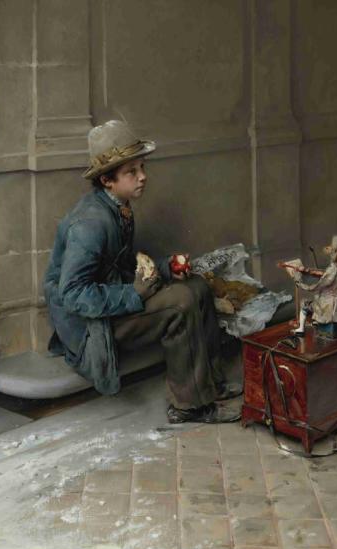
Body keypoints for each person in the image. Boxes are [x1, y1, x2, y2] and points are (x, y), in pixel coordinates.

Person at [43, 120, 241, 423]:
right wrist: (134, 293)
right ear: (107, 179)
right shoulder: (91, 223)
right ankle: (189, 406)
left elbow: (119, 268)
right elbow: (72, 295)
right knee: (181, 302)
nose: (143, 177)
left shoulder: (118, 207)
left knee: (198, 286)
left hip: (109, 306)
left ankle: (209, 385)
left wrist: (165, 268)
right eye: (131, 172)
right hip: (89, 329)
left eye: (142, 167)